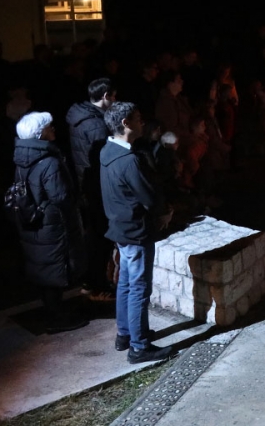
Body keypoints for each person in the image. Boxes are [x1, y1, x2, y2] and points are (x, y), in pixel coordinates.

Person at [100, 102, 173, 363]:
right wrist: (164, 212)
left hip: (121, 228)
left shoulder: (108, 151)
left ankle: (125, 334)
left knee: (127, 284)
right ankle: (139, 346)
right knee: (139, 289)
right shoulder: (129, 161)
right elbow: (149, 197)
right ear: (125, 123)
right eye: (138, 118)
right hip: (136, 230)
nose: (143, 122)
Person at [12, 111, 88, 333]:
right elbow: (61, 196)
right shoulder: (49, 161)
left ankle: (53, 312)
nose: (53, 129)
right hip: (53, 225)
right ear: (39, 133)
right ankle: (58, 318)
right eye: (49, 127)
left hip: (33, 222)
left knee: (44, 269)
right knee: (56, 269)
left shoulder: (22, 157)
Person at [65, 77, 116, 301]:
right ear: (105, 96)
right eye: (113, 96)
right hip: (97, 189)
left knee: (93, 235)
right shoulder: (96, 124)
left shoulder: (80, 116)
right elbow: (102, 161)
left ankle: (92, 282)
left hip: (85, 185)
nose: (115, 101)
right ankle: (96, 284)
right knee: (100, 237)